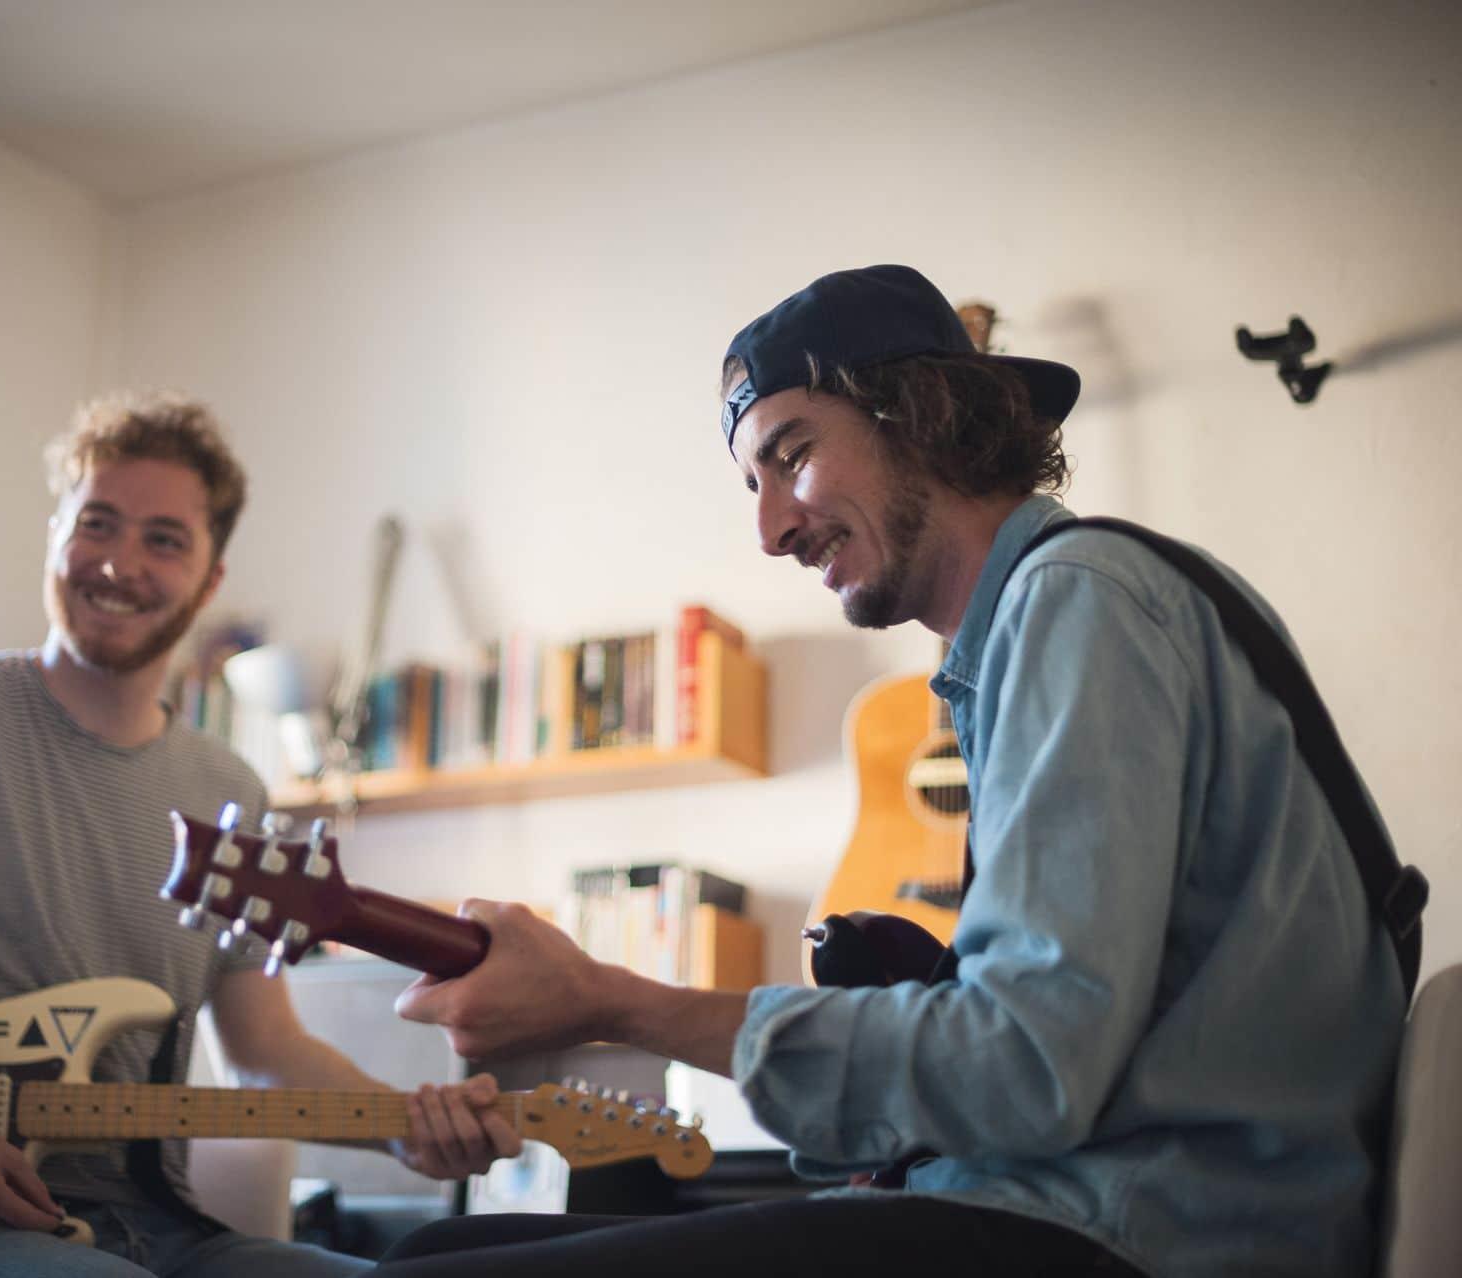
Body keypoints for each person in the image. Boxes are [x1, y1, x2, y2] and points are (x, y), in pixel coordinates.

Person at [388, 265, 1408, 1277]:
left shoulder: (1081, 601)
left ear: (920, 414)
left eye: (791, 457)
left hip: (1136, 1235)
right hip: (1079, 1205)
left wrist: (610, 999)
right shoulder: (1056, 620)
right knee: (445, 1239)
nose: (771, 529)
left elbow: (1024, 1063)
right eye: (754, 485)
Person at [0, 392, 520, 1278]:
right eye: (96, 524)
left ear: (211, 581)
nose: (119, 563)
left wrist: (409, 1130)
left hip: (163, 1229)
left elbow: (266, 1051)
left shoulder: (232, 794)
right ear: (57, 533)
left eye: (164, 540)